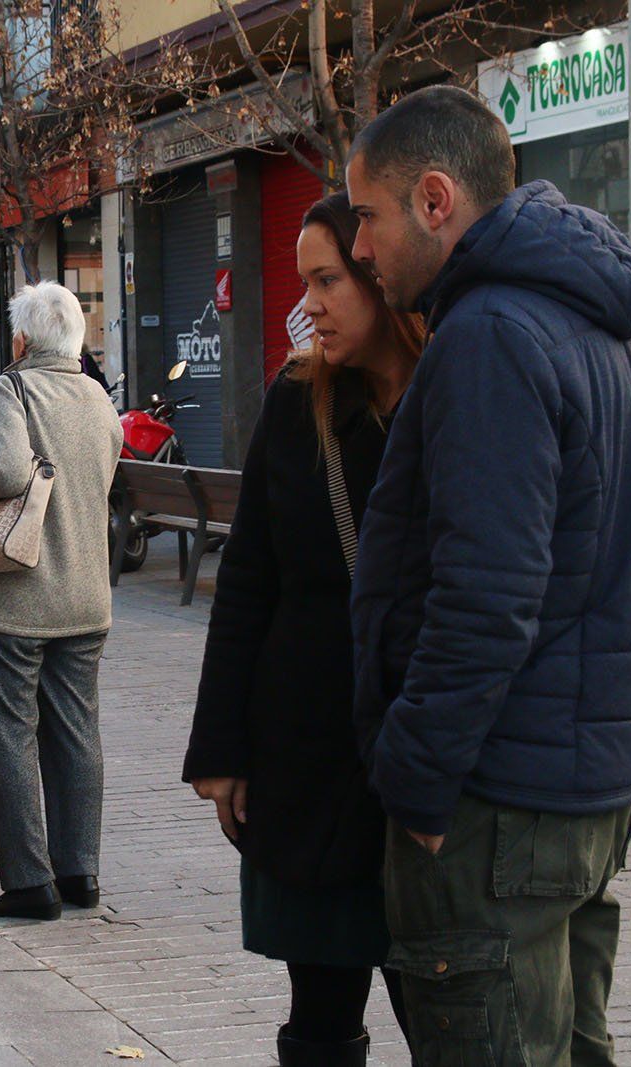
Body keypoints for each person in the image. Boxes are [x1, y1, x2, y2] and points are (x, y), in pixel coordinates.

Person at [345, 85, 631, 1066]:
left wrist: (416, 777)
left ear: (434, 199)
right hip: (576, 785)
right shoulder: (590, 324)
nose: (360, 247)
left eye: (367, 215)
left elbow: (486, 593)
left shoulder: (490, 335)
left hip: (499, 800)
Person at [185, 192, 421, 1065]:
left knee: (444, 1007)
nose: (309, 305)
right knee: (321, 1009)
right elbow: (247, 580)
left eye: (327, 281)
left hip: (422, 748)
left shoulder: (458, 395)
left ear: (381, 276)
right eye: (304, 283)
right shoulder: (298, 401)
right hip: (310, 756)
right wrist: (222, 750)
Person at [0, 281, 122, 920]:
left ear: (22, 339)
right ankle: (81, 873)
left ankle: (30, 883)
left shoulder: (14, 388)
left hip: (20, 596)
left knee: (11, 734)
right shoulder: (98, 397)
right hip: (87, 593)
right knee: (78, 732)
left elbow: (3, 471)